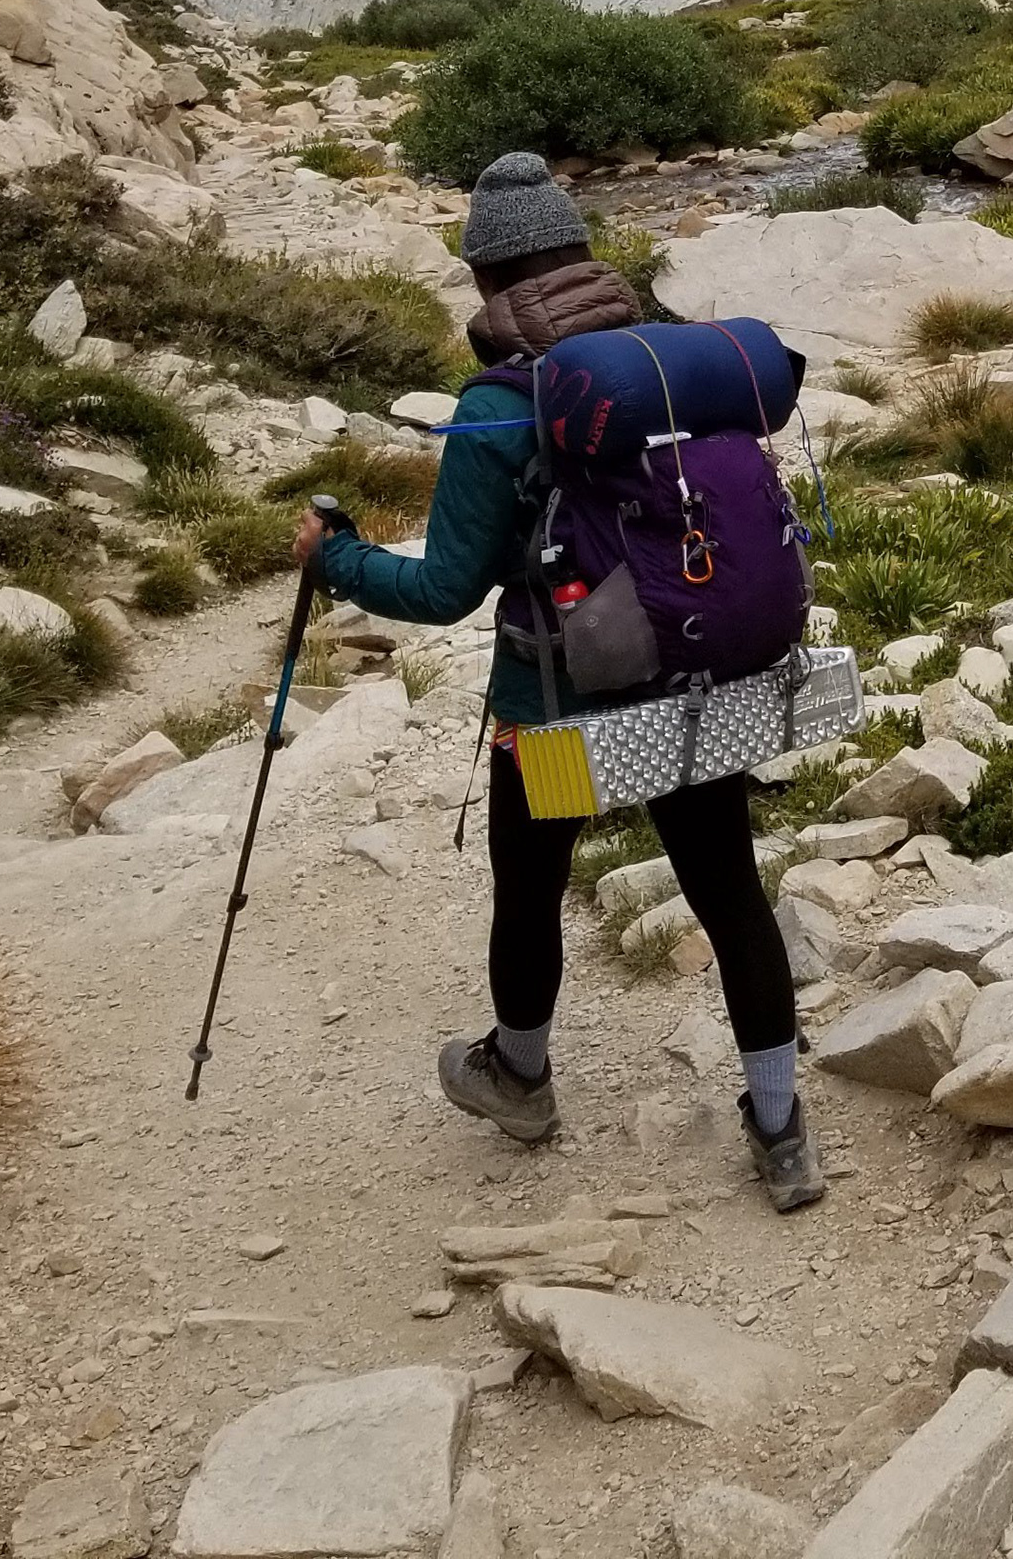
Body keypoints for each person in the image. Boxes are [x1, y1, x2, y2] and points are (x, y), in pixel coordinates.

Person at [291, 150, 825, 1212]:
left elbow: (447, 588)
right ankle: (779, 1125)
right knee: (729, 896)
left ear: (488, 281)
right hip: (693, 675)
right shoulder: (672, 364)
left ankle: (522, 1077)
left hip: (561, 705)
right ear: (583, 256)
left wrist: (333, 558)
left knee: (531, 891)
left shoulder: (497, 402)